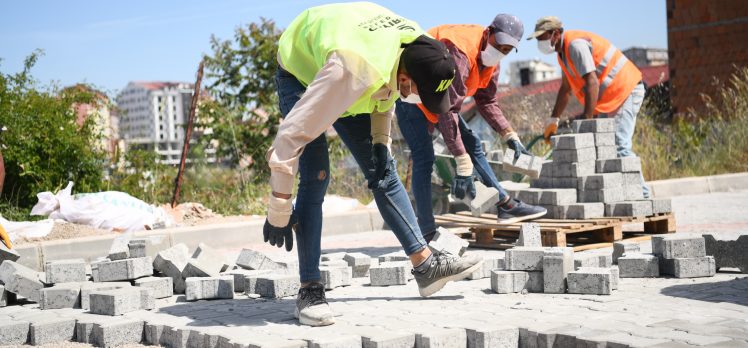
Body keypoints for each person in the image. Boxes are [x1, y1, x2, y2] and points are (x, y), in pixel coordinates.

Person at [263, 2, 483, 327]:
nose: (421, 102)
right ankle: (309, 290)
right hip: (302, 68)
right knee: (316, 174)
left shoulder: (419, 47)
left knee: (384, 170)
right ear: (409, 80)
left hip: (356, 59)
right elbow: (288, 140)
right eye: (421, 95)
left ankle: (426, 267)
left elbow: (387, 93)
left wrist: (381, 143)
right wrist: (278, 211)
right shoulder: (350, 71)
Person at [396, 14, 547, 238]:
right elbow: (447, 109)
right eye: (499, 45)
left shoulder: (492, 64)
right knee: (423, 157)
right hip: (412, 98)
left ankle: (505, 205)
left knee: (473, 143)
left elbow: (487, 101)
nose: (501, 51)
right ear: (488, 33)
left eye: (507, 50)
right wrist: (462, 162)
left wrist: (510, 135)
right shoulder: (461, 51)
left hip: (438, 100)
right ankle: (426, 232)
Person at [528, 16, 650, 198]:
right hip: (612, 97)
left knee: (619, 143)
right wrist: (553, 120)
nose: (540, 43)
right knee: (603, 146)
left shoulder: (575, 46)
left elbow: (592, 82)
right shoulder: (563, 54)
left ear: (555, 34)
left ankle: (643, 196)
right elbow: (565, 89)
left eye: (542, 38)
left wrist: (587, 119)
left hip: (627, 89)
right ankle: (616, 194)